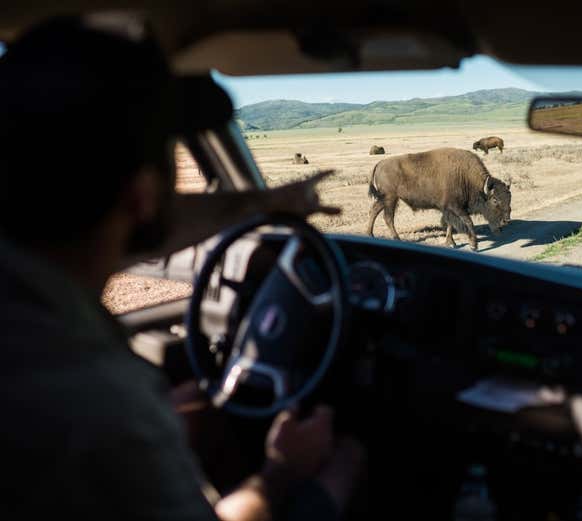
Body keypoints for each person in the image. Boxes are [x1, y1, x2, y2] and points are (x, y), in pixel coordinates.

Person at [0, 15, 362, 521]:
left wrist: (263, 204)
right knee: (344, 468)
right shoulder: (97, 402)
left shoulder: (28, 271)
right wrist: (283, 471)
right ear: (142, 196)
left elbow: (147, 225)